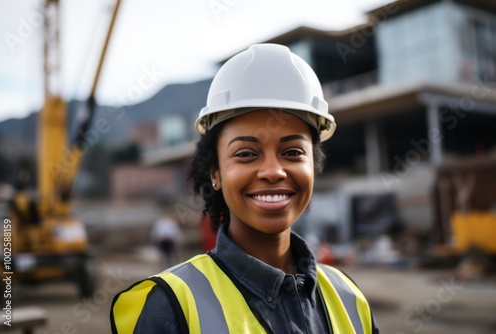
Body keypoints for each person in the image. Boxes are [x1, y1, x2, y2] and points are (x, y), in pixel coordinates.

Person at [110, 43, 380, 333]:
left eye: (292, 152)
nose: (273, 171)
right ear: (215, 173)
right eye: (246, 154)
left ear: (313, 166)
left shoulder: (349, 299)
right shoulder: (171, 307)